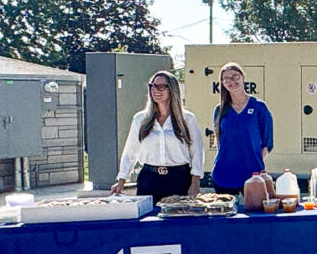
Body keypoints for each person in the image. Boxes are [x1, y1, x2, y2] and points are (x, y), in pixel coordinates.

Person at [111, 71, 205, 202]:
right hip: (149, 179)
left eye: (161, 86)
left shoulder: (187, 119)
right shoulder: (140, 119)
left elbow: (197, 152)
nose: (155, 90)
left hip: (179, 179)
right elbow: (130, 152)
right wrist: (121, 179)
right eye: (152, 86)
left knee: (179, 218)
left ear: (172, 90)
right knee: (148, 221)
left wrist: (195, 183)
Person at [211, 61, 274, 193]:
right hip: (224, 175)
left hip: (253, 176)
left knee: (256, 211)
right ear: (222, 83)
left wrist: (252, 160)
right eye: (226, 79)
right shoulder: (220, 110)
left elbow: (267, 142)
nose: (231, 81)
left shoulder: (259, 107)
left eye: (235, 77)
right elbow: (219, 141)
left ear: (243, 77)